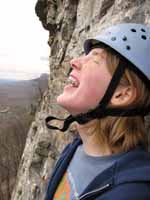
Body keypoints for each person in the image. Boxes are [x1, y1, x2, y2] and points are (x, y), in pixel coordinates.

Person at [45, 23, 150, 200]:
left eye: (94, 59)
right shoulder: (75, 149)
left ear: (121, 94)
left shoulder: (132, 193)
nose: (74, 62)